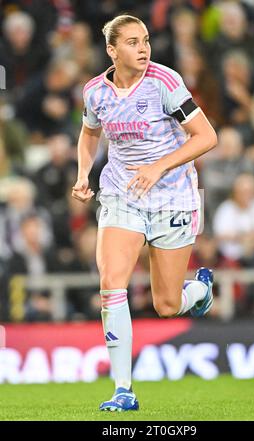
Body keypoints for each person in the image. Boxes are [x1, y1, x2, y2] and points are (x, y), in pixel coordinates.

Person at [72, 14, 217, 412]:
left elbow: (207, 136)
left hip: (172, 196)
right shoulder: (95, 93)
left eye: (146, 40)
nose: (143, 48)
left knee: (166, 305)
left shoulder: (164, 82)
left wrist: (159, 166)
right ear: (111, 50)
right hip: (122, 193)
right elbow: (88, 134)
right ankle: (123, 390)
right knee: (111, 283)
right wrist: (84, 173)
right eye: (133, 42)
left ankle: (201, 292)